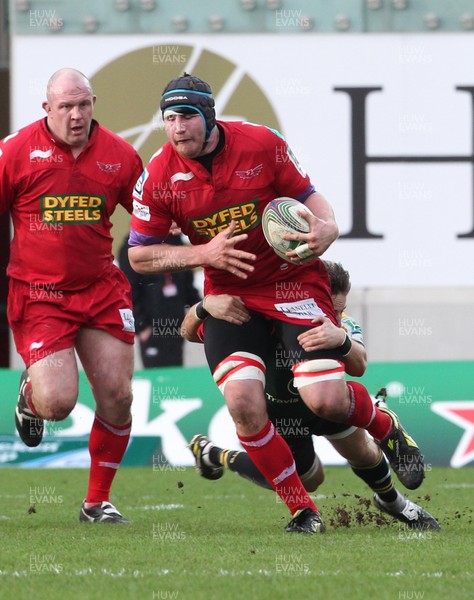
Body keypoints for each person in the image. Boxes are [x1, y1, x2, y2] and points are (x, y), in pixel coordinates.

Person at [127, 73, 424, 534]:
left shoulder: (262, 143)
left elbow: (308, 195)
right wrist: (201, 256)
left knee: (326, 398)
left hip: (293, 283)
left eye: (186, 116)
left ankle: (386, 427)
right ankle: (303, 512)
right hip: (233, 297)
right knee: (243, 403)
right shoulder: (159, 176)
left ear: (208, 115)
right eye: (168, 118)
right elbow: (139, 254)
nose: (177, 127)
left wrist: (328, 225)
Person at [182, 262, 439, 531]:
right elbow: (189, 332)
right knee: (308, 479)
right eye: (333, 308)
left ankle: (394, 502)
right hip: (280, 412)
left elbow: (359, 365)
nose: (337, 315)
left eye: (340, 309)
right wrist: (204, 306)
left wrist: (341, 338)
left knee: (362, 451)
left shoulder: (338, 322)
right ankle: (216, 455)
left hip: (328, 403)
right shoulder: (252, 321)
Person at [0, 68, 144, 524]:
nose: (76, 115)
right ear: (47, 109)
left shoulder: (120, 156)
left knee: (118, 396)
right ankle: (30, 395)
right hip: (40, 294)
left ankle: (97, 501)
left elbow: (150, 215)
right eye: (66, 107)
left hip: (101, 289)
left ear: (94, 103)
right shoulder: (15, 151)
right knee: (58, 403)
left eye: (83, 105)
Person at [118, 232, 202, 368]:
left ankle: (175, 390)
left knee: (176, 372)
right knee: (159, 377)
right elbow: (129, 290)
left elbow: (187, 284)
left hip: (177, 322)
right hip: (151, 325)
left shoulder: (176, 242)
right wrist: (141, 326)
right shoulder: (132, 247)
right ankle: (162, 391)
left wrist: (201, 310)